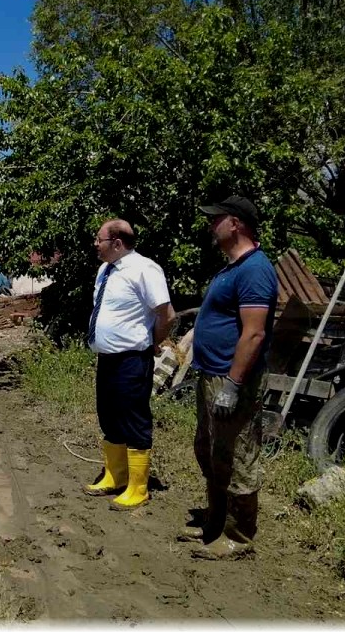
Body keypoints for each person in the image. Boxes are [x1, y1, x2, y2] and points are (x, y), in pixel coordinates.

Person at [184, 196, 278, 559]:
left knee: (238, 455)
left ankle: (239, 537)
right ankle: (215, 520)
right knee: (209, 451)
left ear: (236, 223)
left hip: (231, 379)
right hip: (211, 375)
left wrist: (234, 385)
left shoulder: (255, 269)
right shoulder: (232, 267)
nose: (212, 225)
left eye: (216, 219)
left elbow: (253, 333)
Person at [83, 219, 176, 510]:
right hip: (107, 359)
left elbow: (166, 314)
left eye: (99, 240)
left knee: (133, 418)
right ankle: (115, 476)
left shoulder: (145, 269)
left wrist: (154, 341)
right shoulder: (105, 270)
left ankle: (138, 487)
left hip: (132, 359)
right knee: (108, 416)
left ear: (117, 243)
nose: (95, 245)